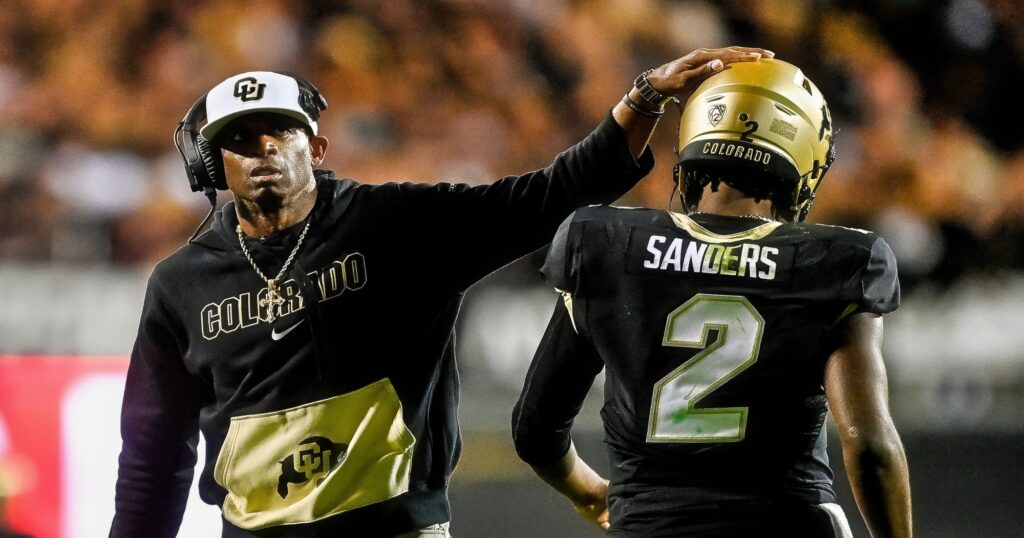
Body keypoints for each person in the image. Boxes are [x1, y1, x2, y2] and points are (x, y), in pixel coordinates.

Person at [110, 47, 772, 537]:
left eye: (278, 131)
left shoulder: (395, 224)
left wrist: (643, 98)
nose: (261, 151)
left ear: (316, 147)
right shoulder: (179, 285)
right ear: (209, 164)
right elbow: (155, 453)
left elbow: (545, 198)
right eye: (237, 139)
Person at [512, 57, 913, 537]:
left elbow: (536, 431)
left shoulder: (601, 243)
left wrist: (589, 491)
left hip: (649, 526)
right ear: (804, 158)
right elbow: (867, 445)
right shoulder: (838, 260)